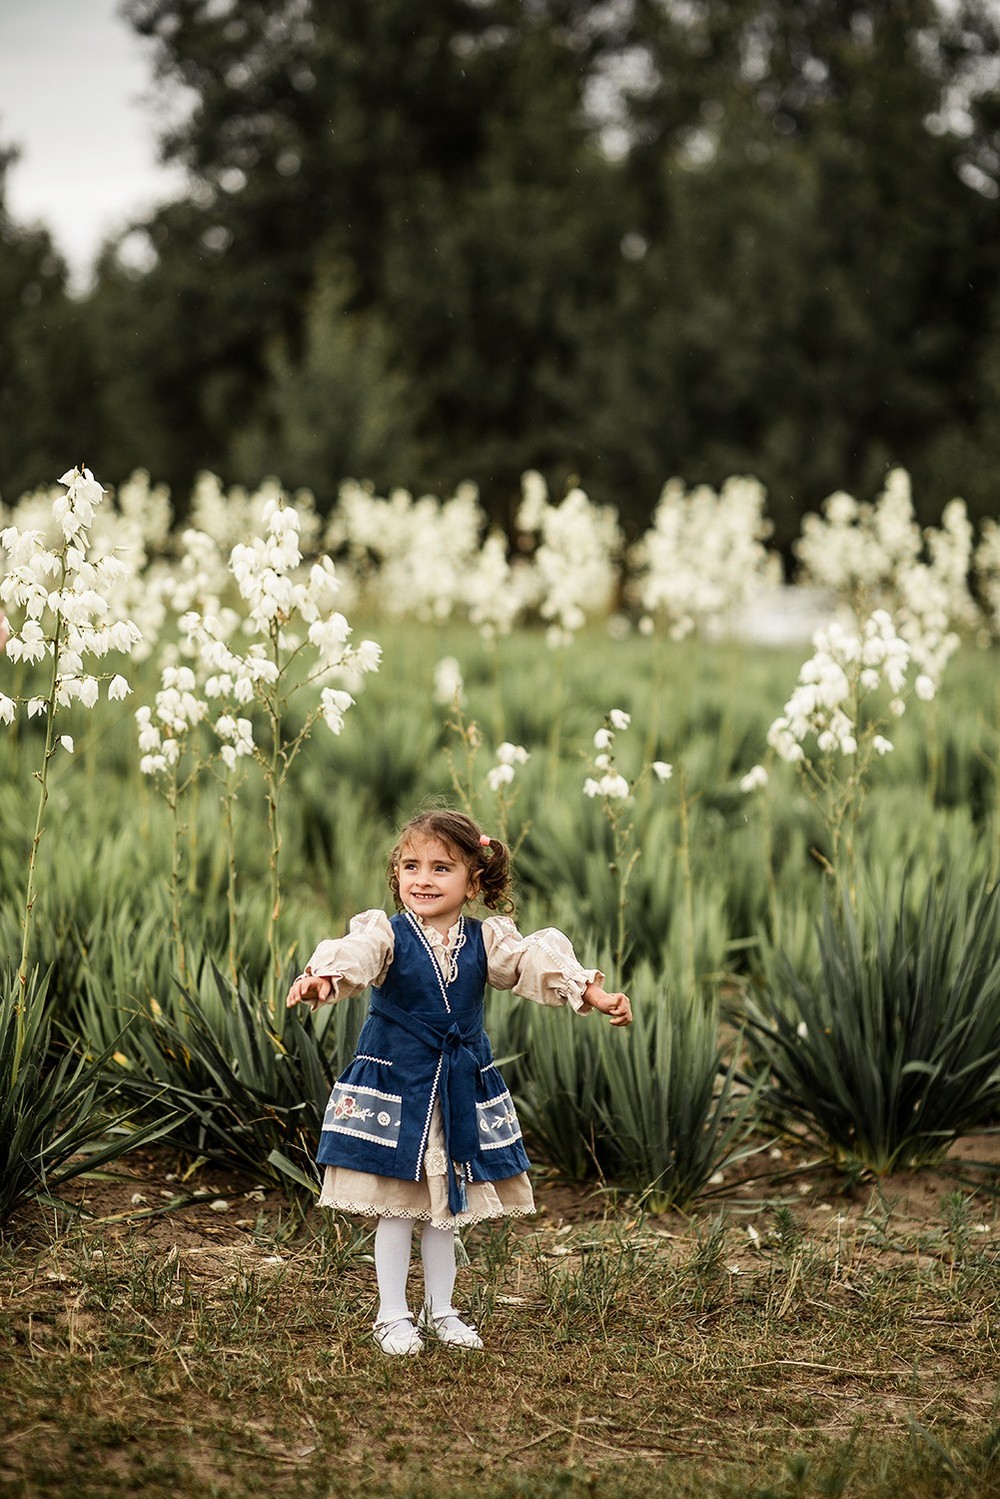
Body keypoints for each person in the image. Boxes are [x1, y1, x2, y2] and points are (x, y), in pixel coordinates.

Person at [286, 806, 632, 1356]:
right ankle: (392, 1314)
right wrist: (322, 979)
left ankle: (440, 1308)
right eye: (411, 866)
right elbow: (356, 955)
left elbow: (532, 964)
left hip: (457, 1089)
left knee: (446, 1210)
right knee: (397, 1208)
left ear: (474, 882)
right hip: (399, 1086)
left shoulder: (486, 941)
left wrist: (594, 994)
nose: (422, 879)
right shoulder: (389, 935)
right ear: (397, 875)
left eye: (441, 868)